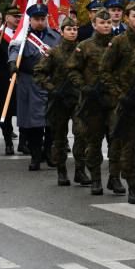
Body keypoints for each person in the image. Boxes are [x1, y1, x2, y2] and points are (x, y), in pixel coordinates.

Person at [100, 0, 135, 203]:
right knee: (127, 144)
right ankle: (132, 185)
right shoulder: (118, 42)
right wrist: (118, 94)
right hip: (128, 99)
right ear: (126, 18)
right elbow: (105, 71)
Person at [66, 8, 118, 195]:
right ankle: (96, 179)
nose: (106, 26)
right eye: (102, 23)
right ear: (94, 25)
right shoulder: (85, 46)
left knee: (116, 140)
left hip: (113, 101)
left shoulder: (118, 44)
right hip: (93, 102)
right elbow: (72, 71)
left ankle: (114, 177)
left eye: (108, 23)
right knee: (94, 142)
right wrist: (84, 87)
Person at [9, 3, 60, 171]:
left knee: (51, 122)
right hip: (29, 82)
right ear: (29, 20)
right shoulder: (23, 37)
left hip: (50, 82)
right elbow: (15, 50)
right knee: (33, 124)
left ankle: (49, 153)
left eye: (42, 19)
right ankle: (35, 156)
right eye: (36, 19)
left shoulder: (55, 36)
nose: (40, 22)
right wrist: (12, 63)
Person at [34, 17, 83, 186]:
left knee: (81, 134)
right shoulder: (53, 52)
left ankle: (80, 170)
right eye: (69, 29)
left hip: (78, 100)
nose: (72, 32)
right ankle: (62, 171)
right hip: (59, 101)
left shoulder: (82, 51)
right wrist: (51, 89)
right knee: (59, 138)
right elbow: (39, 73)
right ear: (61, 32)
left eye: (75, 29)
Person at [0, 5, 22, 154]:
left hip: (22, 78)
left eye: (19, 16)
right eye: (14, 16)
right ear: (7, 18)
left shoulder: (25, 34)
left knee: (23, 111)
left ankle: (24, 142)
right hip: (4, 79)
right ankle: (8, 142)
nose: (18, 18)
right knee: (6, 112)